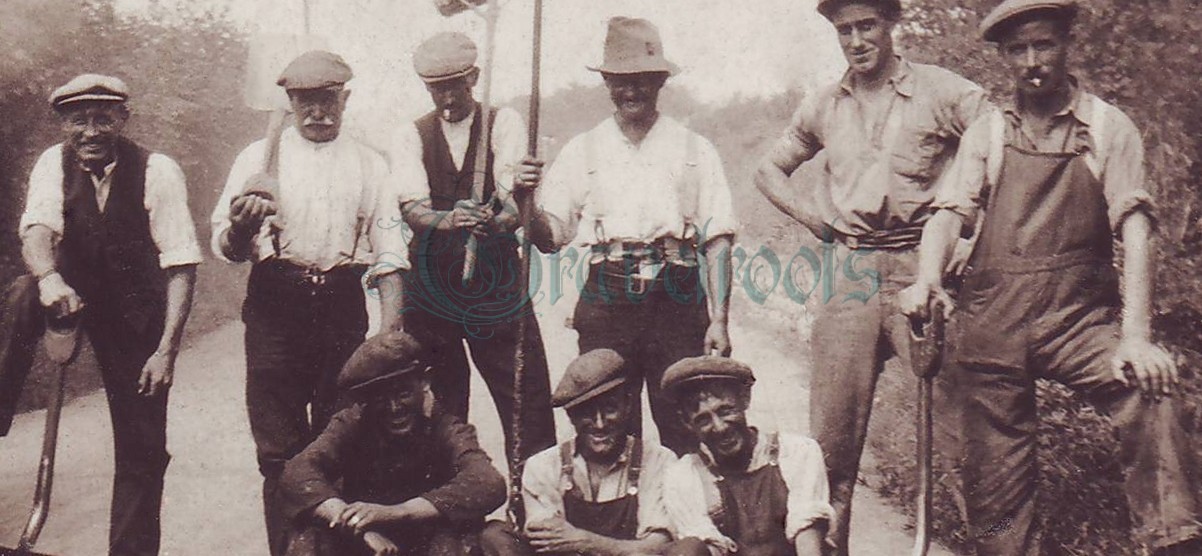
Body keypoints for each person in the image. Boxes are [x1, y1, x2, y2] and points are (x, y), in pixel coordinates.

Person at [899, 1, 1202, 554]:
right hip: (994, 323)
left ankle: (1172, 542)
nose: (1032, 61)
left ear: (1067, 45)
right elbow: (948, 215)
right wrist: (927, 279)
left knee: (1152, 393)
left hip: (1078, 323)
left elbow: (1135, 228)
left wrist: (1135, 337)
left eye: (1045, 46)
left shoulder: (1109, 128)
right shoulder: (987, 134)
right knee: (997, 508)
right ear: (1004, 57)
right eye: (1018, 50)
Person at [752, 0, 993, 551]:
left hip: (925, 269)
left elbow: (997, 143)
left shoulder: (941, 91)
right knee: (829, 451)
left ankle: (988, 542)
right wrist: (814, 220)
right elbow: (768, 169)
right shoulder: (824, 106)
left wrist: (969, 236)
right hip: (852, 273)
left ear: (890, 26)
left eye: (867, 27)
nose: (857, 40)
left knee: (966, 438)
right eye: (845, 31)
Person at [211, 50, 408, 556]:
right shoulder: (257, 160)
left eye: (327, 101)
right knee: (277, 450)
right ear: (290, 103)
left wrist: (389, 337)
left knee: (337, 441)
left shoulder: (370, 164)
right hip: (276, 302)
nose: (317, 112)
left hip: (342, 304)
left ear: (345, 99)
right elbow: (228, 249)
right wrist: (243, 223)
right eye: (305, 102)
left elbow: (389, 255)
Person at [516, 17, 737, 456]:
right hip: (607, 296)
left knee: (684, 424)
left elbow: (719, 240)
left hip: (677, 295)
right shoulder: (584, 149)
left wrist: (719, 319)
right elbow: (551, 235)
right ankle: (616, 521)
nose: (631, 91)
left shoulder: (694, 149)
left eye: (641, 80)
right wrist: (525, 200)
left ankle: (685, 520)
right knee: (607, 423)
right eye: (620, 81)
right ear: (607, 83)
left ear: (659, 81)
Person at [1, 73, 202, 555]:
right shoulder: (55, 162)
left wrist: (165, 351)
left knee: (143, 446)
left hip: (133, 309)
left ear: (123, 120)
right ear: (63, 124)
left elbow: (181, 265)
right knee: (25, 292)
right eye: (78, 120)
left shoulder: (158, 170)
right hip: (68, 289)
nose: (90, 131)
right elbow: (37, 231)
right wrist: (51, 279)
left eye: (102, 118)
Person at [390, 32, 556, 463]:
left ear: (474, 78)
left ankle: (532, 508)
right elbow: (412, 209)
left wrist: (494, 218)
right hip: (431, 284)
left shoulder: (505, 123)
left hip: (495, 278)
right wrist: (449, 220)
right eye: (436, 88)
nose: (446, 97)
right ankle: (448, 512)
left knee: (524, 394)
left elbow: (516, 206)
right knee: (438, 404)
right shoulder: (411, 135)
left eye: (454, 86)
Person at [279, 331, 507, 556]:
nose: (394, 408)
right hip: (369, 543)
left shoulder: (446, 427)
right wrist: (357, 526)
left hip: (428, 544)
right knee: (307, 537)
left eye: (403, 393)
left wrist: (399, 512)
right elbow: (297, 472)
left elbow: (488, 483)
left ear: (424, 382)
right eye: (380, 398)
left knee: (460, 540)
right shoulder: (352, 422)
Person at [479, 348, 683, 556]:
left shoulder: (658, 460)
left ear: (628, 404)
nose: (600, 424)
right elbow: (549, 544)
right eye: (587, 413)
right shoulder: (543, 466)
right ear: (571, 415)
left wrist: (585, 541)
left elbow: (656, 548)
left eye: (610, 408)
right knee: (496, 535)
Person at [661, 356, 831, 556]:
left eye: (726, 411)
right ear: (687, 422)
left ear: (744, 399)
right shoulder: (683, 476)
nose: (720, 427)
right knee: (687, 550)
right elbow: (707, 548)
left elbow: (808, 533)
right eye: (703, 420)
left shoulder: (797, 451)